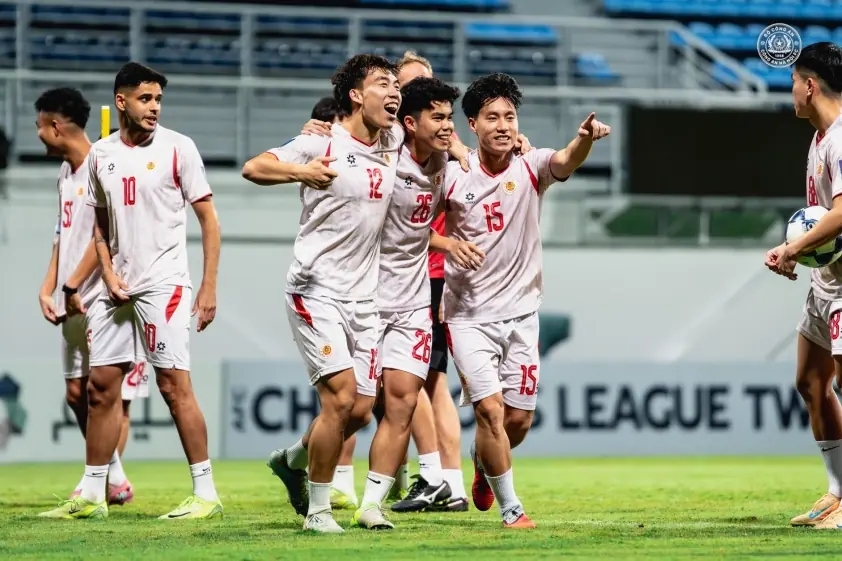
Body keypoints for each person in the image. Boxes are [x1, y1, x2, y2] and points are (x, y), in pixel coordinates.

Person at [39, 62, 223, 520]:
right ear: (121, 102)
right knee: (100, 388)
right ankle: (93, 495)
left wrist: (208, 286)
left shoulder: (179, 148)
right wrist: (107, 272)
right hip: (115, 288)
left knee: (174, 386)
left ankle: (205, 493)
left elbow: (208, 220)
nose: (154, 107)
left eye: (158, 99)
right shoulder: (100, 154)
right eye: (145, 98)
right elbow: (100, 225)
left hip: (164, 283)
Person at [242, 54, 404, 534]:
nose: (393, 92)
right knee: (340, 398)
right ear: (355, 95)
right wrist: (302, 172)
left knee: (360, 410)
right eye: (383, 84)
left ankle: (293, 459)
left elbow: (438, 130)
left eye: (396, 86)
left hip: (364, 298)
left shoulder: (393, 141)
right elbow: (254, 167)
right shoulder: (319, 141)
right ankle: (318, 512)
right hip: (315, 290)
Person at [443, 73, 609, 528]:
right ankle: (512, 509)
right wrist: (448, 244)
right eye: (492, 117)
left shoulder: (530, 164)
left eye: (510, 116)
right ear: (473, 124)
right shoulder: (452, 175)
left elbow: (565, 160)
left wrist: (584, 139)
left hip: (521, 315)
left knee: (516, 421)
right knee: (489, 411)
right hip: (467, 316)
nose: (503, 125)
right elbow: (417, 227)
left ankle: (483, 462)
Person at [350, 76, 484, 527]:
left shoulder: (445, 162)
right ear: (410, 122)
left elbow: (422, 223)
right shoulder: (384, 157)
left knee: (405, 402)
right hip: (365, 297)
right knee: (355, 408)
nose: (448, 126)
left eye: (450, 117)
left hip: (413, 301)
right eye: (438, 117)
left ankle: (372, 504)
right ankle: (298, 458)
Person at [34, 87, 147, 510]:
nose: (37, 135)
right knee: (75, 394)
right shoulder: (66, 173)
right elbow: (62, 236)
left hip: (105, 297)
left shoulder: (105, 165)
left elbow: (106, 236)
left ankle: (96, 483)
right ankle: (114, 476)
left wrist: (74, 283)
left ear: (55, 125)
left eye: (39, 126)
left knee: (109, 394)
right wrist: (49, 287)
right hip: (71, 298)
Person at [764, 41, 842, 530]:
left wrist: (792, 247)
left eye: (793, 81)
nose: (790, 90)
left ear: (810, 85)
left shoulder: (840, 140)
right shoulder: (819, 138)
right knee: (811, 382)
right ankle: (838, 492)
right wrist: (805, 253)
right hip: (826, 280)